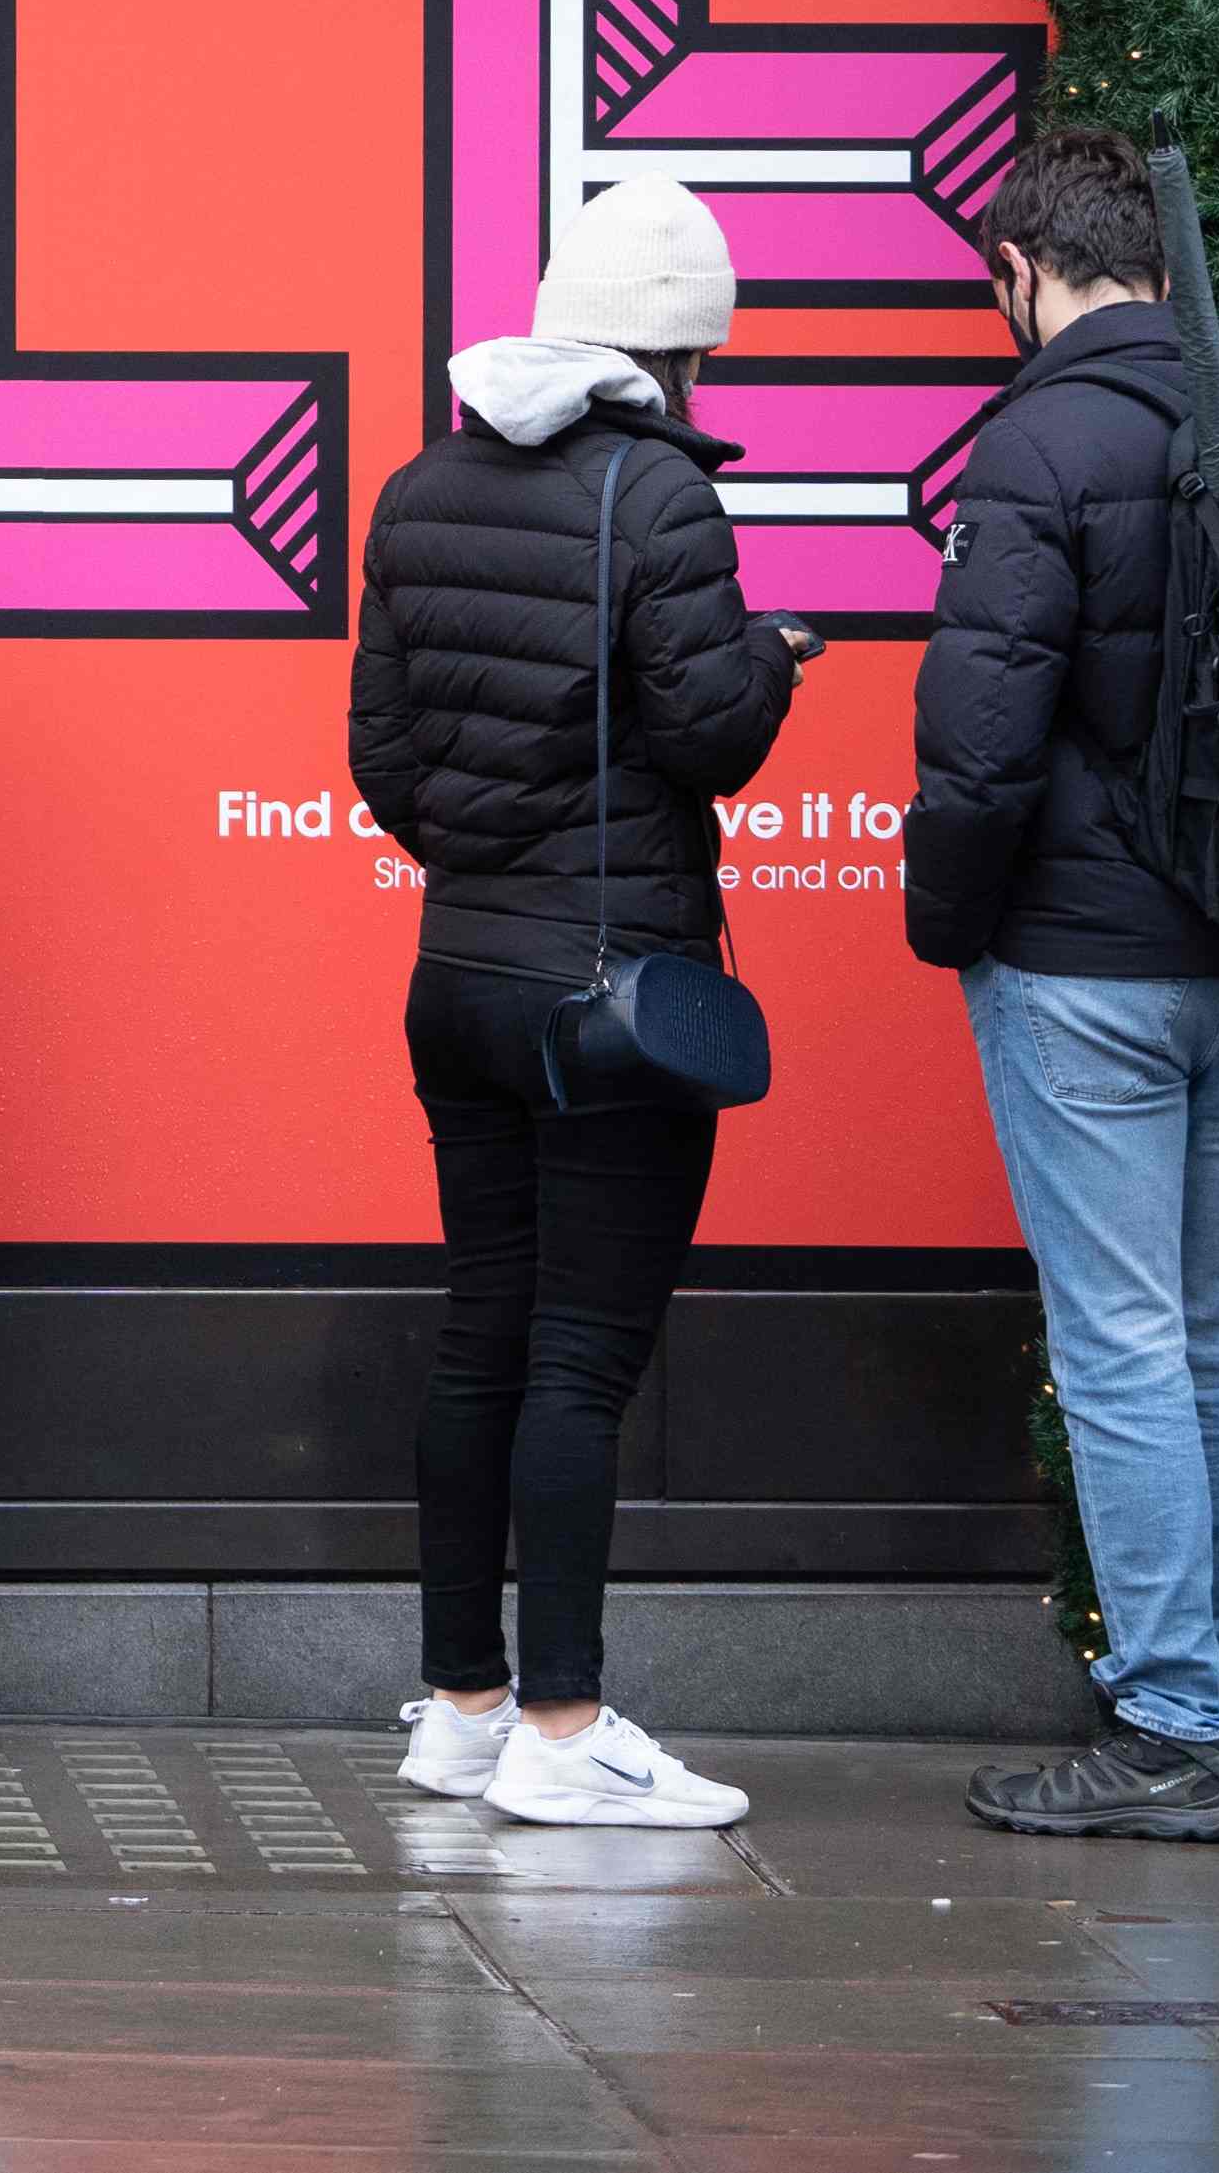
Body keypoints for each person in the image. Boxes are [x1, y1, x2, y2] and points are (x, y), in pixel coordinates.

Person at [349, 175, 807, 1831]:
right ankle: (560, 1725)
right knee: (580, 1359)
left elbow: (381, 759)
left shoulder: (416, 487)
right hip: (607, 996)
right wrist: (769, 656)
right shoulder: (661, 499)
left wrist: (487, 857)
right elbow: (711, 737)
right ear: (680, 350)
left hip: (459, 973)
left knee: (483, 1332)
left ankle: (459, 1704)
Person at [912, 125, 1219, 1842]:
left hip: (1082, 966)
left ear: (1024, 272)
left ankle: (1161, 1727)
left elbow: (980, 738)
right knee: (1204, 1336)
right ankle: (1201, 1702)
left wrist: (947, 921)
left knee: (1124, 1340)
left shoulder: (1038, 441)